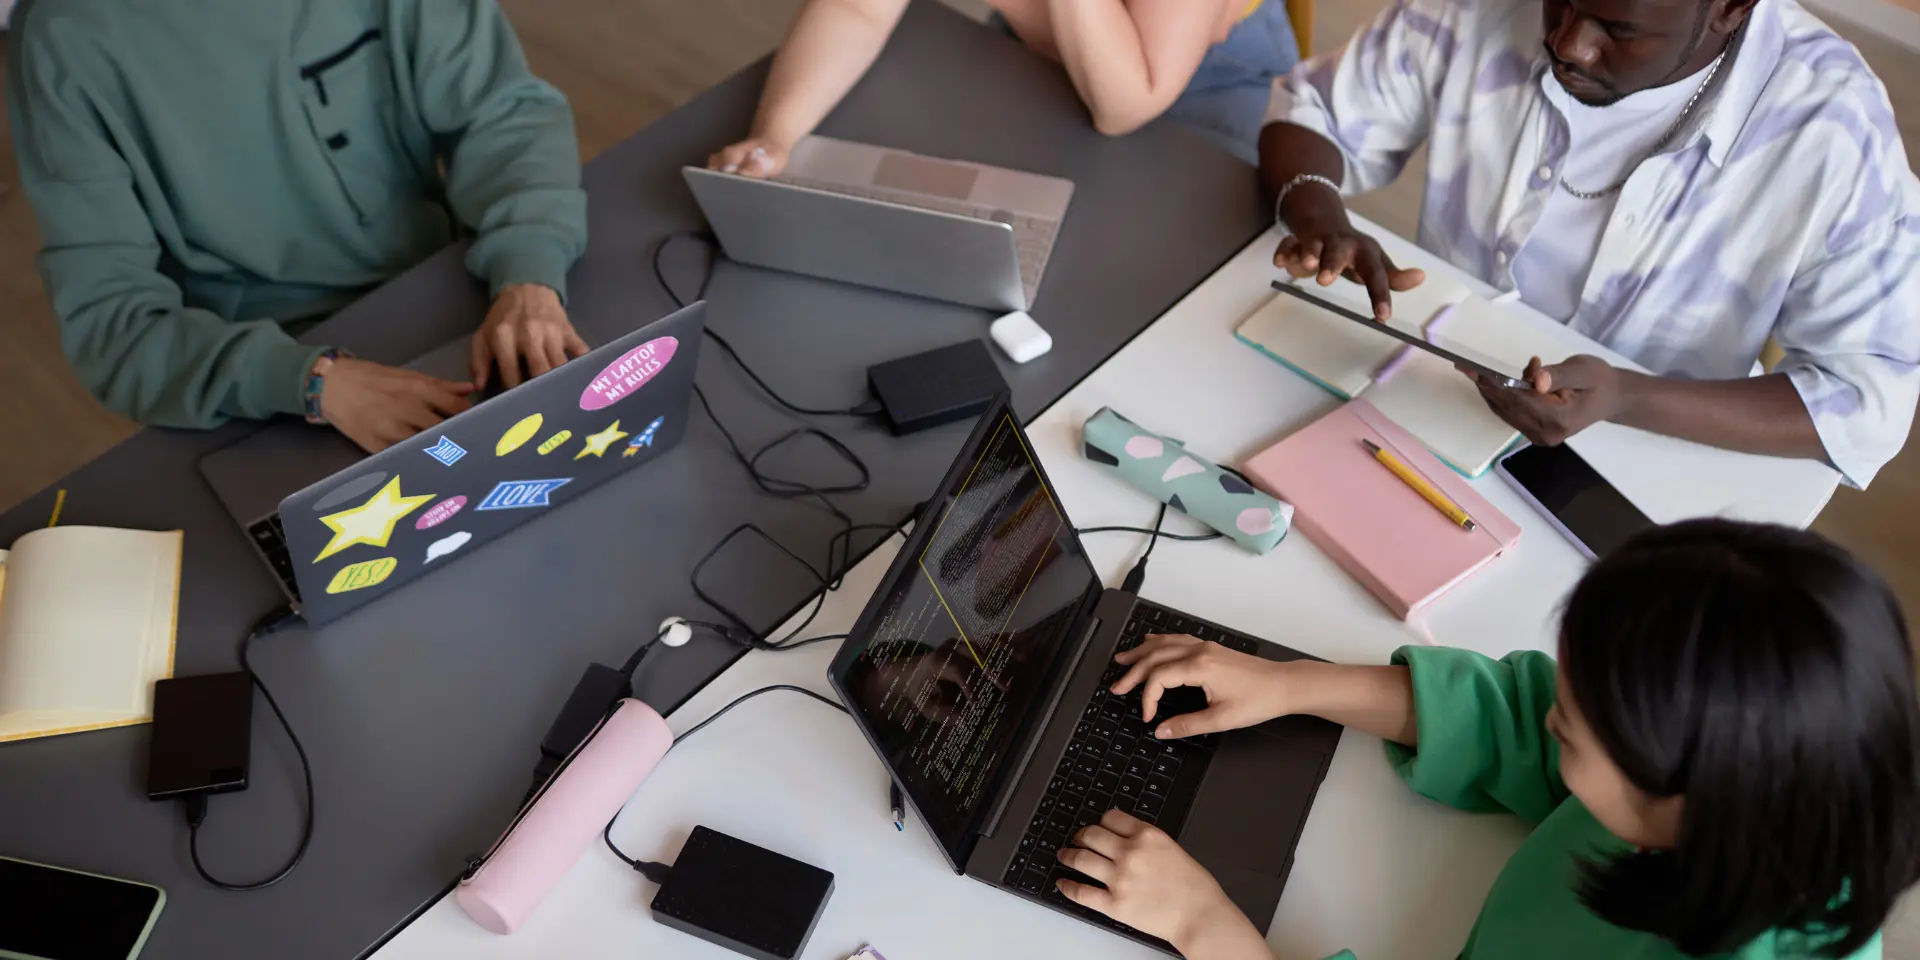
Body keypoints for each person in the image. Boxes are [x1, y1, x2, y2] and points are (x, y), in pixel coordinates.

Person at [1054, 518, 1920, 958]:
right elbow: (1521, 716)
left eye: (1573, 727)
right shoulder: (1779, 781)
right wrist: (1292, 684)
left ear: (1689, 795)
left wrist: (1211, 929)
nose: (1549, 717)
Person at [1258, 0, 1920, 488]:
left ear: (1729, 10)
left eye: (1618, 28)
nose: (1569, 43)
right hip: (1420, 401)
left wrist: (1628, 397)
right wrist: (1322, 218)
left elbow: (1866, 397)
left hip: (1644, 468)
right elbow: (1312, 109)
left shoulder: (1833, 126)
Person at [6, 0, 590, 453]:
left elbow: (503, 115)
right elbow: (112, 324)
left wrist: (527, 270)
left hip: (457, 290)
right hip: (261, 374)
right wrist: (309, 383)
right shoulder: (63, 42)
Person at [709, 0, 1300, 173]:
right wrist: (776, 135)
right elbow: (858, 9)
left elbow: (1125, 107)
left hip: (1210, 85)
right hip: (1044, 54)